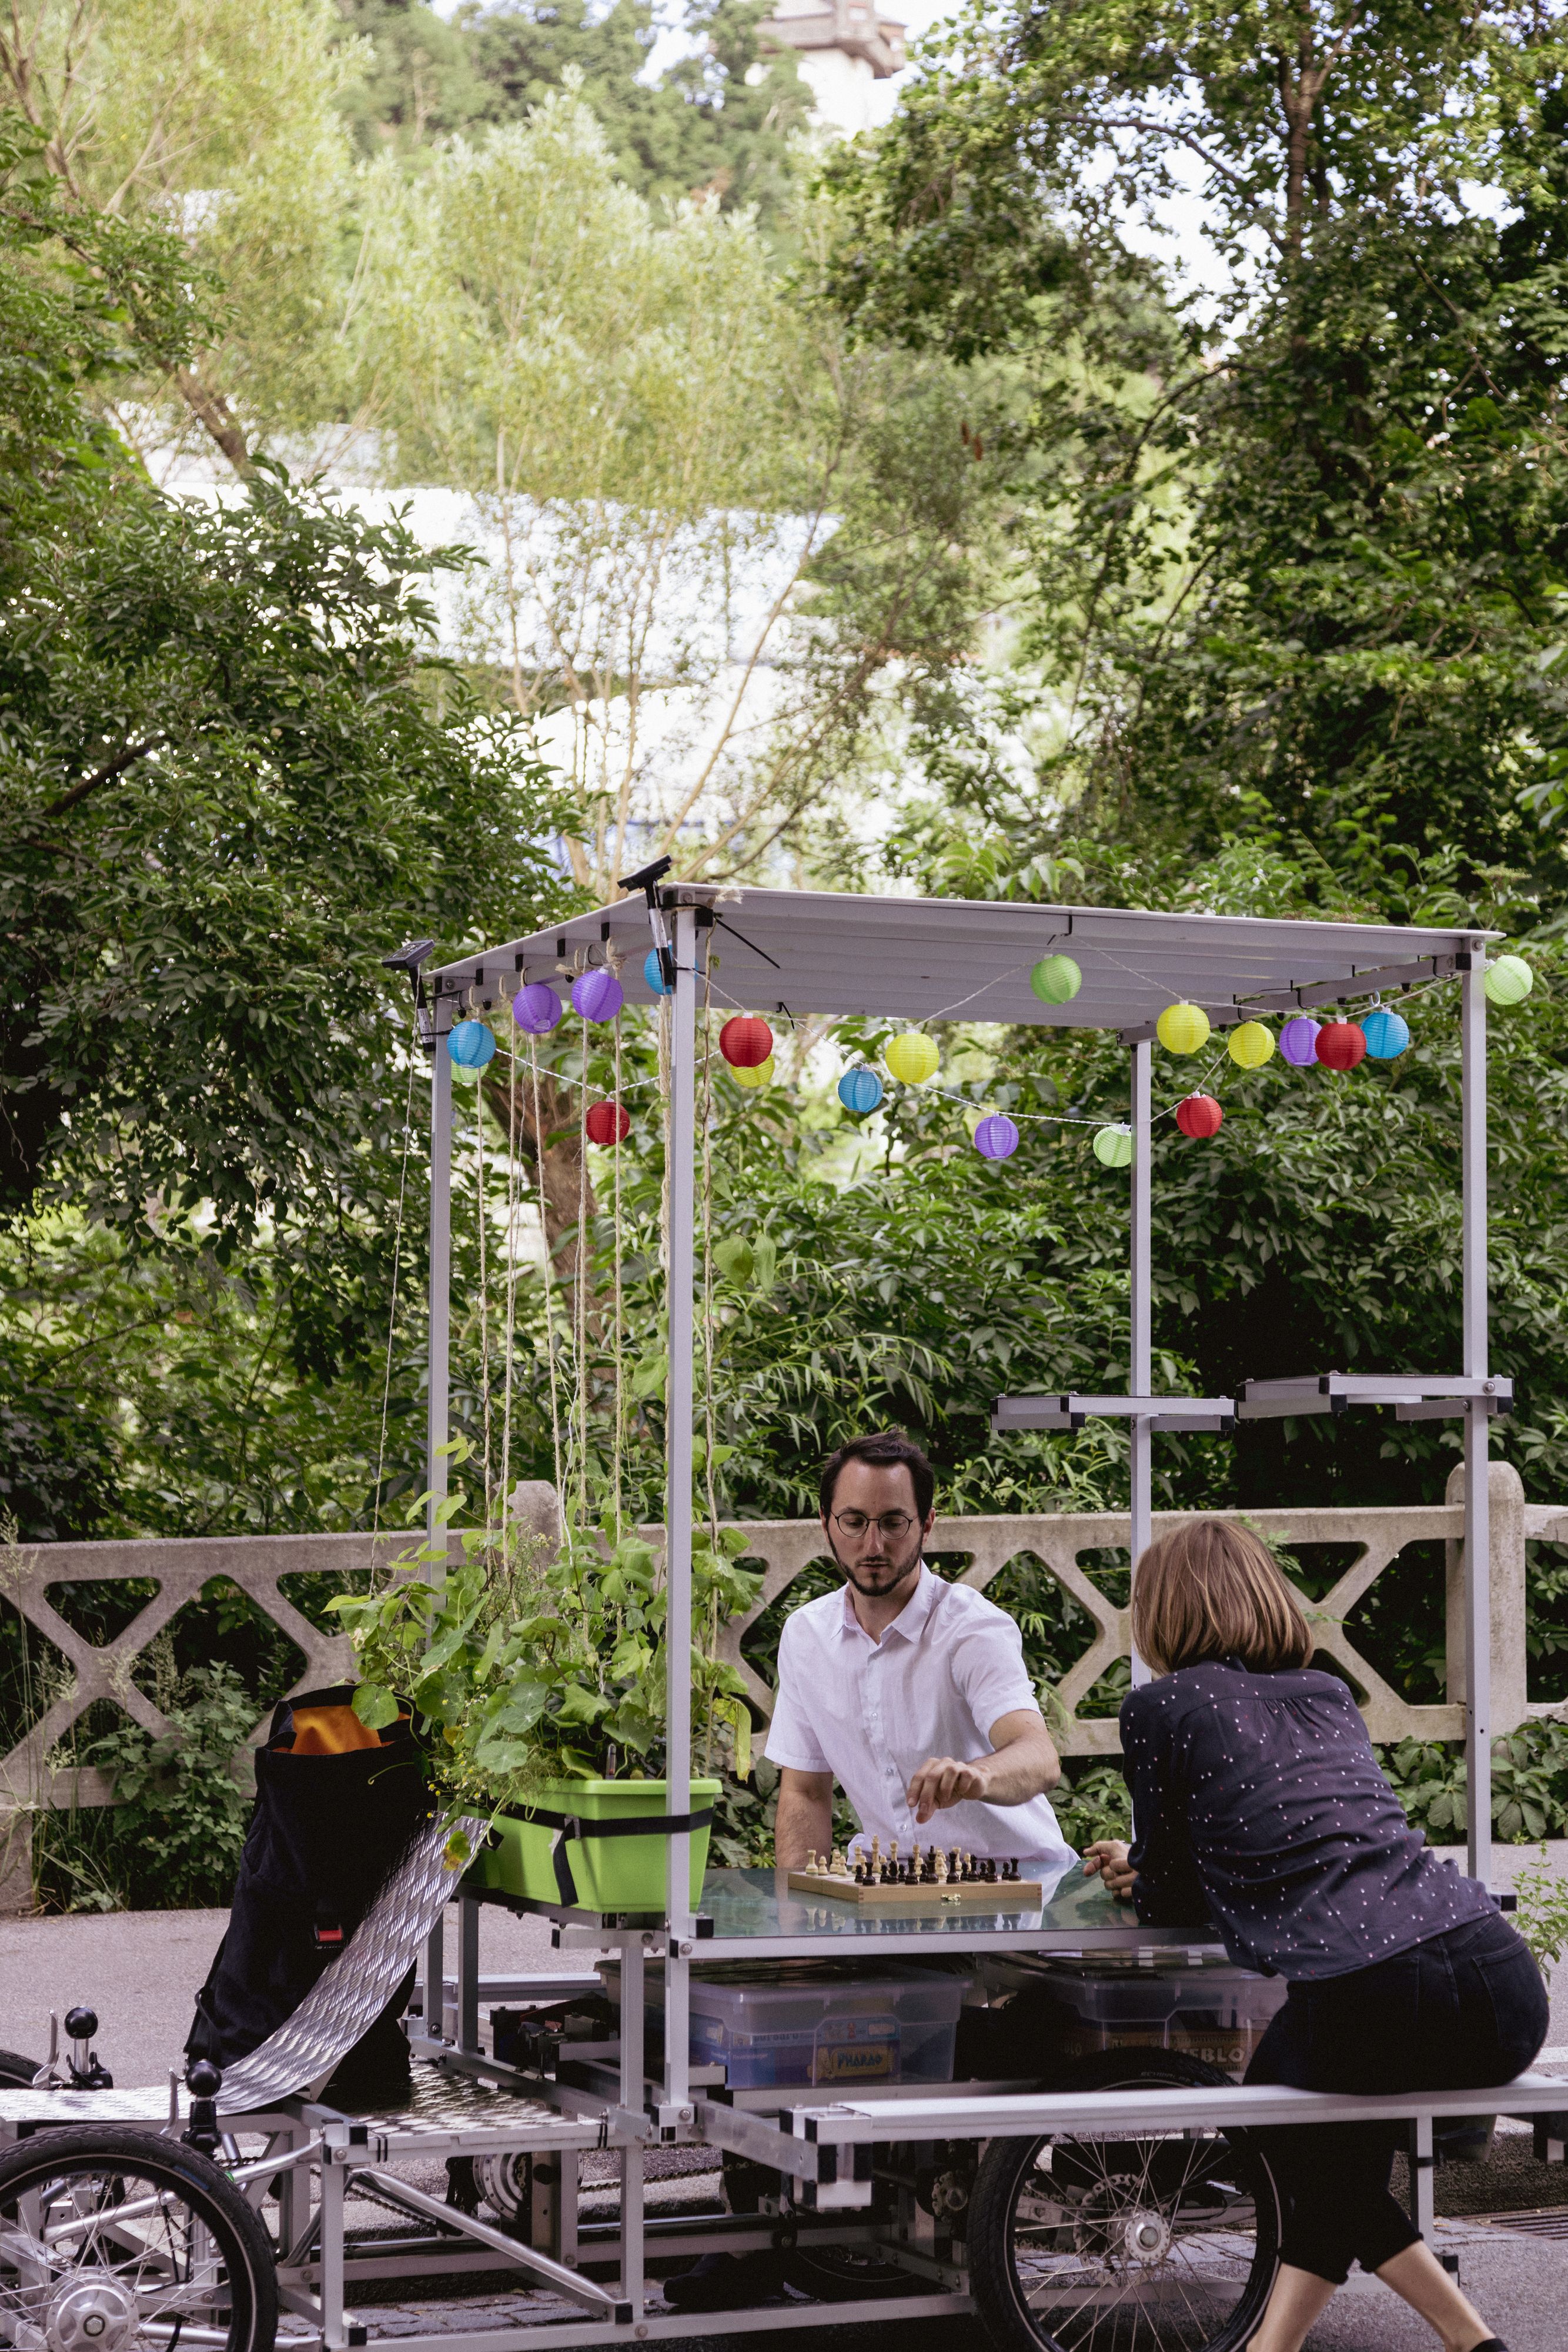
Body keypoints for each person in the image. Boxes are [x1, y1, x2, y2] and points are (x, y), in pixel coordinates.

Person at [1082, 1519, 1546, 2352]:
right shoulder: (1325, 1693)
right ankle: (1352, 2345)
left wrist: (1134, 1870)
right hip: (1500, 1978)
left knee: (1290, 2139)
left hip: (1377, 1986)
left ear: (1162, 1613)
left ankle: (1468, 2340)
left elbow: (1170, 1896)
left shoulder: (1160, 1707)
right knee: (1334, 2163)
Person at [765, 1429, 1073, 1877]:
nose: (873, 1545)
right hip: (888, 1882)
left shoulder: (971, 1627)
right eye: (853, 1522)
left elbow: (1038, 1757)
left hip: (1014, 1881)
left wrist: (978, 1776)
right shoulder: (805, 1634)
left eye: (893, 1523)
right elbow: (805, 1793)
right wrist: (794, 1909)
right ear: (825, 1522)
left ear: (927, 1523)